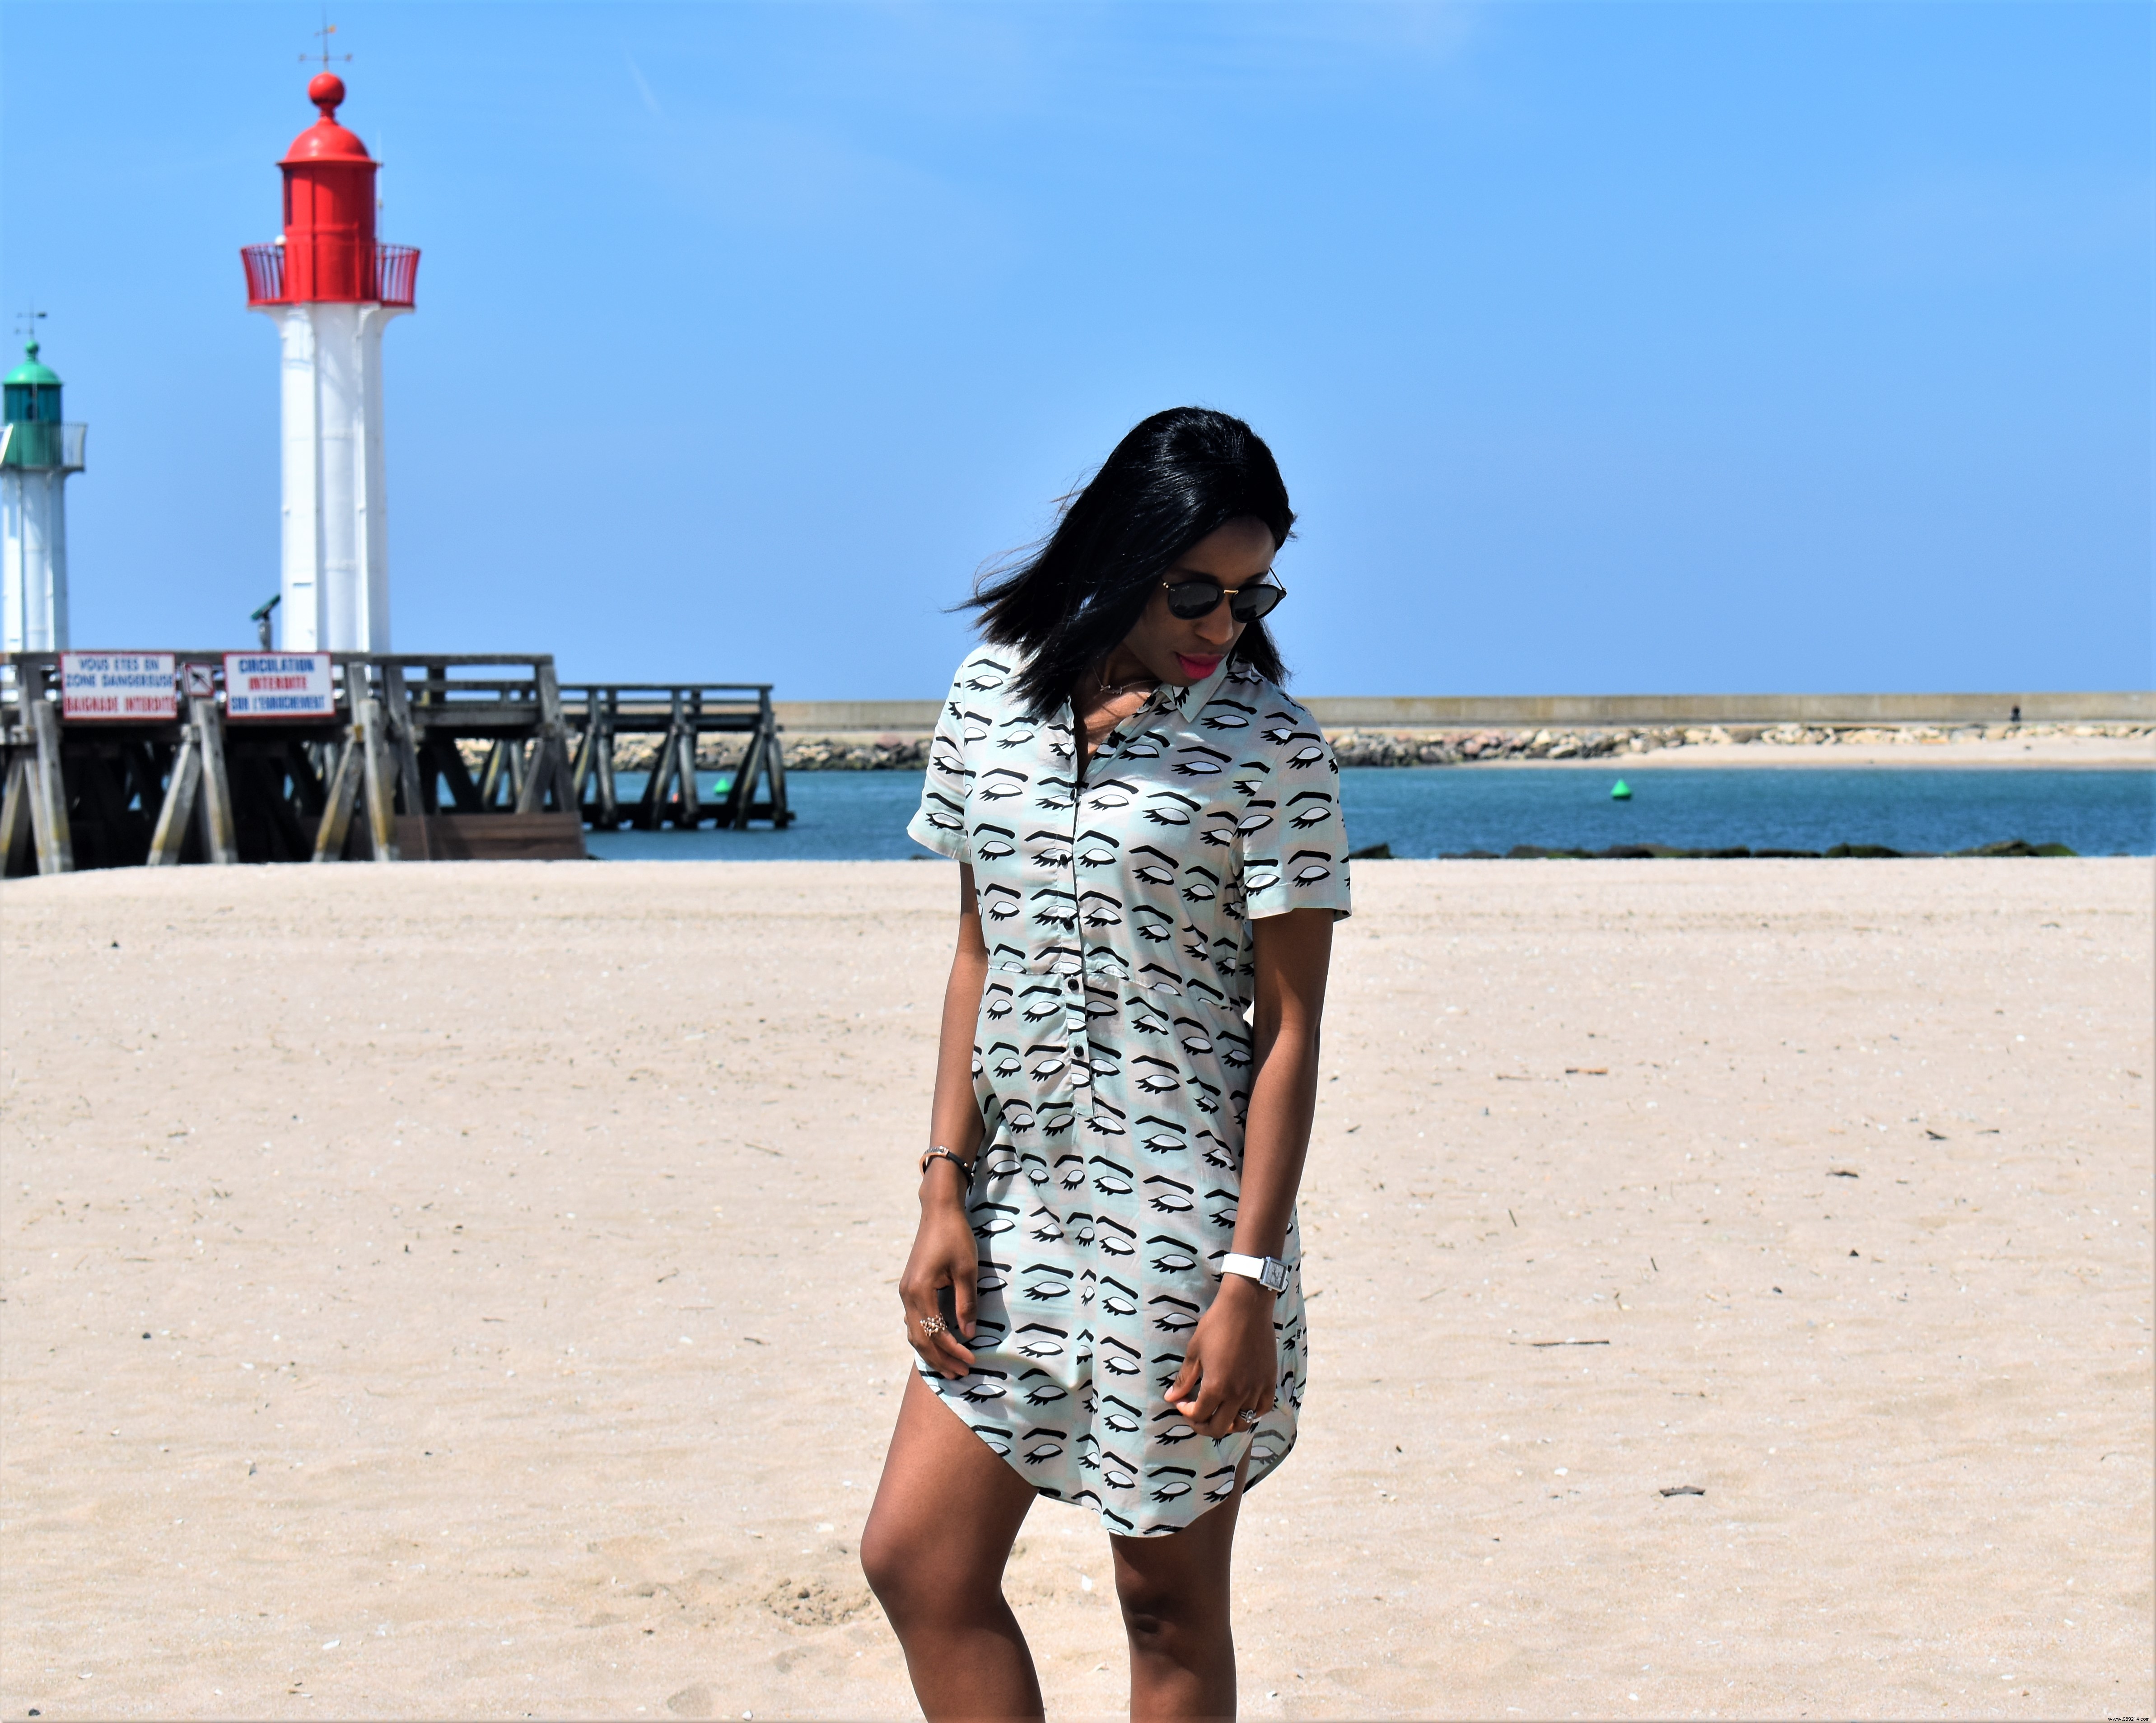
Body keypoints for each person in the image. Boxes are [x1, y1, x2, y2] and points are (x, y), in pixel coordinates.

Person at [859, 407, 1351, 1720]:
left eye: (1253, 596)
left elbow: (1289, 1027)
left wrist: (1247, 1274)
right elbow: (978, 954)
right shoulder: (985, 700)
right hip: (1010, 1212)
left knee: (1166, 1611)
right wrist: (940, 1193)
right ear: (1118, 551)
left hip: (1186, 1230)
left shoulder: (1272, 749)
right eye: (1197, 589)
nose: (1223, 625)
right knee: (917, 1561)